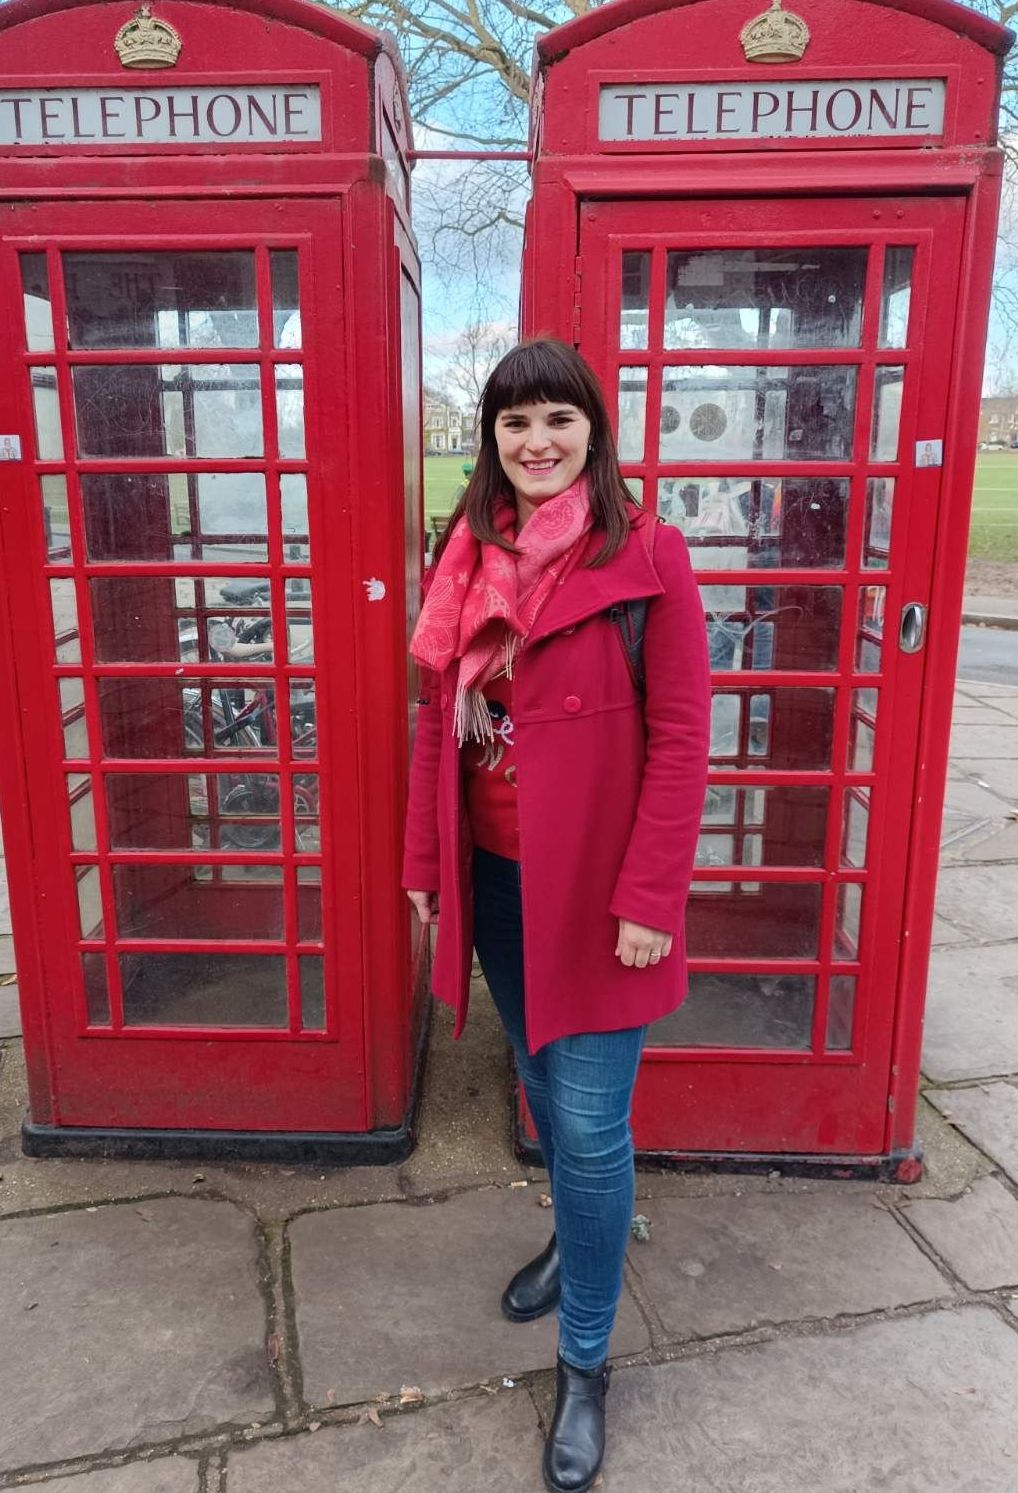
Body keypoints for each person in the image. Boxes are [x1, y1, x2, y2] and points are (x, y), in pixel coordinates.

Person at [403, 338, 711, 1492]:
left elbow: (682, 738)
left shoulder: (648, 552)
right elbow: (437, 721)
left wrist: (651, 897)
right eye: (515, 421)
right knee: (539, 1081)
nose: (536, 440)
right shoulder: (468, 551)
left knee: (586, 1126)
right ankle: (575, 1237)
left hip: (599, 893)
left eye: (557, 418)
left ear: (593, 431)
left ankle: (585, 1359)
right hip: (497, 878)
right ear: (491, 437)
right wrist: (424, 860)